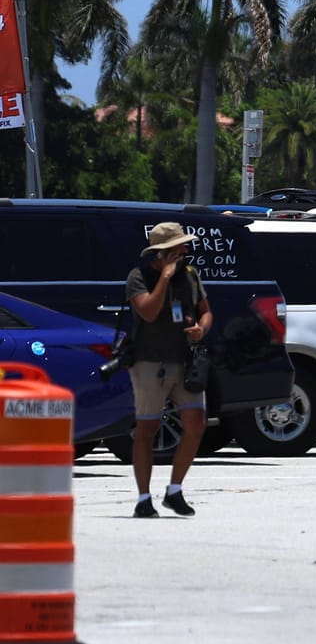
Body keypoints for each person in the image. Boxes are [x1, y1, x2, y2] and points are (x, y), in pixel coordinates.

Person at [126, 222, 212, 518]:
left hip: (184, 361)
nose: (185, 251)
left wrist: (202, 328)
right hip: (149, 362)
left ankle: (174, 490)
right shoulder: (139, 277)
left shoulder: (189, 275)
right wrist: (163, 279)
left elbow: (206, 310)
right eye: (178, 248)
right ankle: (143, 497)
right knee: (147, 428)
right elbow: (148, 312)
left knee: (196, 423)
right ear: (162, 253)